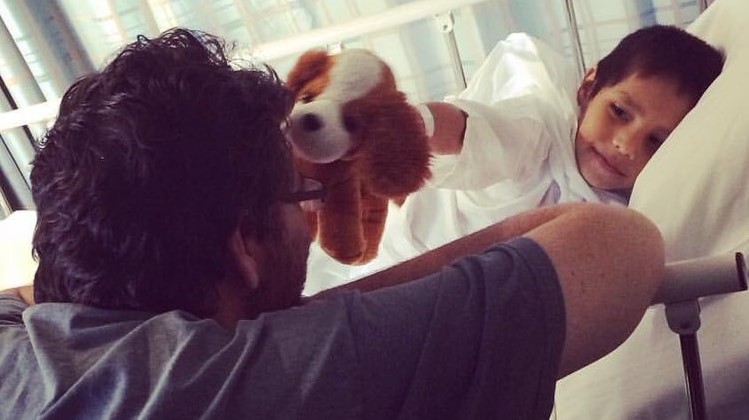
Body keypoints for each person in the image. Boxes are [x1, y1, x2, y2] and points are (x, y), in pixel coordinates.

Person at [0, 28, 665, 419]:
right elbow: (617, 245)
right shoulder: (264, 383)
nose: (315, 215)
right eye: (302, 197)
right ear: (243, 247)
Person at [305, 24, 724, 294]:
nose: (626, 145)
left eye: (656, 141)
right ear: (588, 87)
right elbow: (485, 132)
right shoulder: (542, 129)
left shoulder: (633, 211)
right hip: (391, 251)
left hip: (439, 299)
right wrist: (416, 124)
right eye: (619, 112)